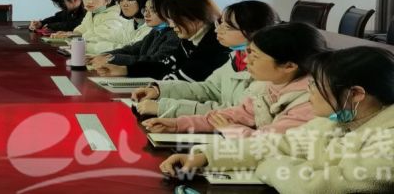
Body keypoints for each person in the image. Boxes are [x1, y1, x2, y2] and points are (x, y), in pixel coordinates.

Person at [160, 47, 394, 194]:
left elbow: (324, 186)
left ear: (356, 94)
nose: (310, 92)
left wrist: (270, 167)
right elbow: (279, 144)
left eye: (317, 85)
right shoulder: (337, 120)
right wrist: (205, 156)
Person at [143, 22, 325, 138]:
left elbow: (271, 143)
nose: (246, 61)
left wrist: (232, 129)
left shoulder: (311, 103)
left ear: (289, 65)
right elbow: (234, 114)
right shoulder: (267, 86)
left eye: (254, 56)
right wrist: (178, 124)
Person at [132, 0, 278, 117]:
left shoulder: (266, 69)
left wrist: (165, 107)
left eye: (227, 27)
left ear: (254, 31)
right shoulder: (236, 56)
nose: (217, 30)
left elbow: (234, 112)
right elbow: (209, 89)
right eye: (220, 23)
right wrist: (160, 91)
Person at [94, 0, 229, 81]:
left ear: (195, 19)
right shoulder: (188, 40)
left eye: (174, 19)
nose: (171, 24)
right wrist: (124, 69)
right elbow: (163, 65)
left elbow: (187, 78)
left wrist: (157, 90)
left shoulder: (214, 45)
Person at [88, 0, 178, 68]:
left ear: (169, 12)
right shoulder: (156, 31)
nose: (146, 14)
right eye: (145, 10)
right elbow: (132, 50)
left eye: (153, 10)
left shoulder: (174, 35)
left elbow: (156, 61)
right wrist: (104, 55)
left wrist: (111, 58)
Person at [51, 0, 129, 54]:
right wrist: (70, 34)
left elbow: (99, 37)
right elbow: (84, 27)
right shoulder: (93, 11)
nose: (89, 1)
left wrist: (73, 39)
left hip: (111, 54)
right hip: (92, 51)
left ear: (108, 0)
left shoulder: (116, 14)